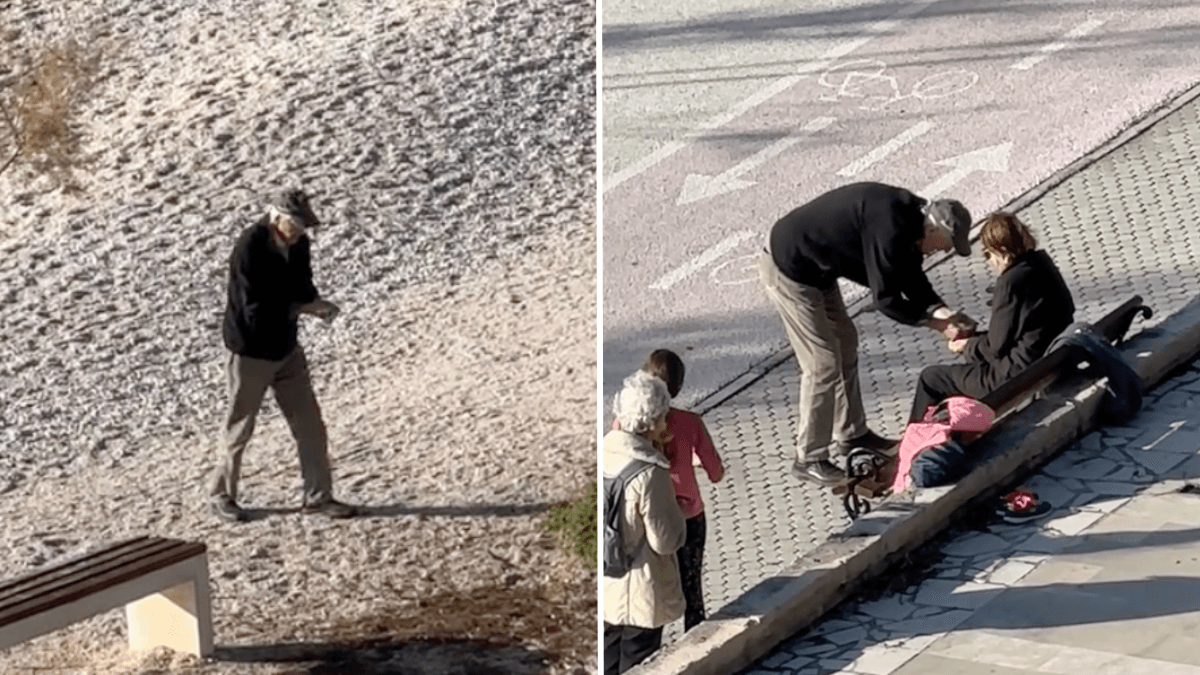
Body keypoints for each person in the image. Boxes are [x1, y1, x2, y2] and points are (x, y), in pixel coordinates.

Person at [758, 181, 977, 486]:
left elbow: (913, 280)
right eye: (943, 244)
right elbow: (886, 300)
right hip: (790, 269)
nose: (941, 251)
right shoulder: (890, 228)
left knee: (846, 342)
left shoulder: (911, 225)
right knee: (822, 363)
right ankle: (809, 457)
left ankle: (851, 435)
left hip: (819, 269)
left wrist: (945, 313)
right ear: (932, 230)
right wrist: (937, 325)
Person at [211, 189, 357, 522]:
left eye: (304, 226)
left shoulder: (299, 243)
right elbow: (254, 310)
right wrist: (301, 308)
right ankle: (221, 495)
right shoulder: (250, 246)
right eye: (296, 224)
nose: (300, 232)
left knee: (310, 426)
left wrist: (313, 303)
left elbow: (303, 285)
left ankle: (318, 497)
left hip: (286, 347)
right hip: (250, 352)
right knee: (239, 428)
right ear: (277, 217)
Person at [908, 211, 1075, 422]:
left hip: (1015, 375)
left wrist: (965, 346)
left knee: (932, 377)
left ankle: (912, 444)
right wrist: (974, 341)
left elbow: (996, 347)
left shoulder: (1010, 282)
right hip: (1052, 360)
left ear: (1001, 251)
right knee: (964, 372)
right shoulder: (1042, 264)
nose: (988, 262)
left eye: (987, 254)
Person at [603, 370, 686, 675]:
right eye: (664, 417)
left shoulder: (602, 454)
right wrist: (679, 514)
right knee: (638, 662)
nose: (666, 423)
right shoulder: (650, 473)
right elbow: (665, 540)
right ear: (652, 422)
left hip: (606, 583)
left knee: (607, 656)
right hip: (641, 590)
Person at [636, 349, 724, 632]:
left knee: (653, 589)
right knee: (691, 588)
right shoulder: (691, 423)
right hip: (689, 516)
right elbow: (717, 473)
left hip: (650, 517)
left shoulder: (628, 424)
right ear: (679, 386)